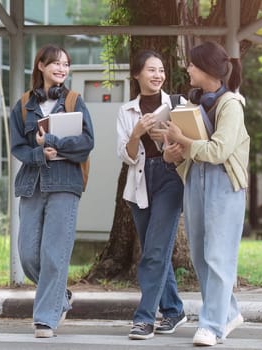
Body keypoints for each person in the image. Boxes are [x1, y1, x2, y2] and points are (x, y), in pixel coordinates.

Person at [164, 41, 249, 347]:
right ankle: (229, 312)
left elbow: (219, 150)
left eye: (192, 65)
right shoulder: (192, 101)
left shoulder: (231, 105)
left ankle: (211, 325)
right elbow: (181, 149)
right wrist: (172, 149)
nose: (187, 69)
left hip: (223, 183)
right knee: (201, 256)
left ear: (207, 69)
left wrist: (183, 140)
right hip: (194, 180)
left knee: (218, 255)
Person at [9, 44, 94, 338]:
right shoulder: (23, 105)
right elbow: (17, 146)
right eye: (56, 63)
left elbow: (87, 143)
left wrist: (54, 142)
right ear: (41, 66)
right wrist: (38, 154)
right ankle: (61, 296)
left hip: (64, 185)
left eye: (66, 64)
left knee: (54, 254)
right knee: (29, 255)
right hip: (32, 184)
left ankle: (45, 318)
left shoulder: (74, 101)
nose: (61, 68)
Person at [116, 49, 187, 340]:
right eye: (151, 70)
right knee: (154, 249)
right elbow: (127, 156)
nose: (158, 75)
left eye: (161, 70)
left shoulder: (178, 103)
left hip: (171, 178)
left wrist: (170, 144)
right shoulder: (127, 111)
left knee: (155, 252)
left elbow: (192, 142)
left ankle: (144, 318)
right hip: (140, 183)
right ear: (137, 74)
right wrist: (136, 133)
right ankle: (173, 310)